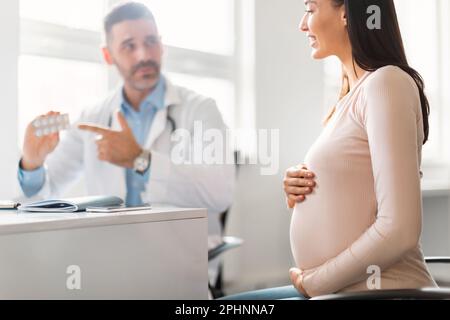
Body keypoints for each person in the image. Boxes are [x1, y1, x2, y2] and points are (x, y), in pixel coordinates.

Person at [222, 0, 437, 300]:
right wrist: (305, 187)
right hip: (343, 291)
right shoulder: (350, 97)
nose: (302, 24)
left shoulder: (387, 82)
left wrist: (316, 282)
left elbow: (400, 229)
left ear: (346, 11)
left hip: (378, 292)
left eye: (310, 9)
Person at [16, 2, 235, 281]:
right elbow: (46, 194)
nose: (144, 54)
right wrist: (33, 164)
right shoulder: (92, 117)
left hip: (177, 261)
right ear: (108, 55)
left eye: (151, 41)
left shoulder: (201, 109)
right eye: (129, 46)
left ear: (162, 45)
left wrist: (141, 160)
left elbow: (219, 194)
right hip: (110, 259)